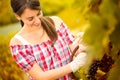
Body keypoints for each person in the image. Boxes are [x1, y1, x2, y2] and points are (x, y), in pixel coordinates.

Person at [9, 0, 86, 80]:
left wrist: (85, 43)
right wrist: (73, 65)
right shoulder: (18, 43)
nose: (38, 21)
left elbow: (74, 50)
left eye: (39, 14)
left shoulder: (56, 22)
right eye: (30, 19)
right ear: (18, 16)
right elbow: (41, 76)